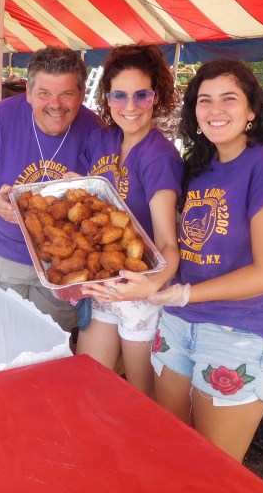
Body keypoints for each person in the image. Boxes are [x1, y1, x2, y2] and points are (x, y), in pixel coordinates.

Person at [147, 59, 263, 463]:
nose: (215, 110)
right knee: (170, 449)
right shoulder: (198, 166)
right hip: (177, 326)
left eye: (229, 99)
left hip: (239, 333)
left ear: (252, 109)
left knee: (211, 469)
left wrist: (185, 294)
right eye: (205, 100)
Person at [0, 46, 102, 332]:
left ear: (81, 94)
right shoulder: (1, 119)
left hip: (61, 266)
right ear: (28, 92)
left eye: (66, 94)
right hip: (0, 257)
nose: (56, 104)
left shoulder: (95, 130)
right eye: (44, 93)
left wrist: (90, 192)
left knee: (48, 349)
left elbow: (103, 206)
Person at [76, 45, 182, 397]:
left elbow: (167, 244)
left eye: (142, 95)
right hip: (101, 283)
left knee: (140, 396)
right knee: (88, 384)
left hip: (140, 288)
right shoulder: (101, 139)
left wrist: (151, 287)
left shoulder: (159, 156)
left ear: (158, 96)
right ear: (107, 98)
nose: (131, 106)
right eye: (119, 96)